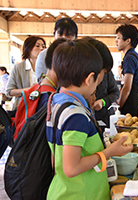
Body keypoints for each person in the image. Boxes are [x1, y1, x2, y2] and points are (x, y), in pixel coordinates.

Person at [46, 40, 132, 200]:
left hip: (64, 189)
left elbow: (56, 159)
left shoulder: (56, 101)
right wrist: (109, 152)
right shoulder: (75, 115)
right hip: (80, 194)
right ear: (90, 78)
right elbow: (71, 168)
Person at [83, 37, 120, 128]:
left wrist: (102, 102)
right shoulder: (76, 109)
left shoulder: (106, 72)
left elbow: (115, 92)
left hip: (104, 118)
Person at [5, 36, 46, 110]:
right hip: (24, 109)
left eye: (43, 46)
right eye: (37, 46)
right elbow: (9, 91)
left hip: (42, 109)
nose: (41, 48)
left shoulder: (47, 67)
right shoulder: (18, 67)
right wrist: (31, 89)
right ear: (29, 49)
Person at [115, 24, 138, 117]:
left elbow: (127, 87)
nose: (116, 40)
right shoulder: (135, 56)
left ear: (128, 41)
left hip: (135, 107)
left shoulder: (129, 58)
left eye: (119, 38)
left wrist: (120, 105)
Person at [35, 17, 78, 82]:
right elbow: (41, 82)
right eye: (60, 34)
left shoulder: (79, 56)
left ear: (76, 37)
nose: (64, 38)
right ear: (54, 34)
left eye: (68, 35)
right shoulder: (44, 55)